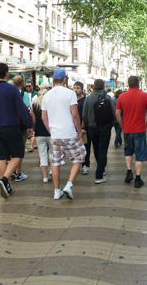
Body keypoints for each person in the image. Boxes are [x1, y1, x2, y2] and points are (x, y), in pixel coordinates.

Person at [0, 63, 33, 199]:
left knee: (1, 157)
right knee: (17, 155)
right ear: (6, 73)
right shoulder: (12, 90)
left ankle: (6, 186)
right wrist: (29, 126)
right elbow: (21, 110)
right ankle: (4, 180)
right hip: (11, 127)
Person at [41, 69, 86, 199]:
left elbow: (44, 118)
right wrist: (79, 131)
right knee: (78, 157)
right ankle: (69, 185)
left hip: (55, 135)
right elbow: (75, 114)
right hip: (70, 133)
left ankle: (56, 191)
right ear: (65, 79)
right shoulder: (70, 93)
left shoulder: (46, 96)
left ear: (53, 80)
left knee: (55, 162)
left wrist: (51, 131)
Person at [116, 76, 147, 188]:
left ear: (128, 83)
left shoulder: (122, 96)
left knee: (128, 151)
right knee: (140, 154)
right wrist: (146, 126)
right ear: (138, 84)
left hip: (127, 129)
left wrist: (122, 126)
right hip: (140, 130)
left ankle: (128, 171)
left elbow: (117, 114)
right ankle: (138, 178)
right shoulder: (145, 96)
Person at [82, 79, 115, 184]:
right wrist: (111, 125)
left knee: (96, 149)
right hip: (105, 127)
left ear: (94, 87)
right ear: (103, 87)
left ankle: (101, 169)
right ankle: (99, 174)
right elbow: (113, 113)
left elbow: (84, 115)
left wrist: (88, 123)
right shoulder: (108, 97)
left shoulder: (88, 98)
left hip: (92, 127)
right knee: (103, 150)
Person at [12, 75, 32, 181]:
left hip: (9, 125)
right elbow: (27, 109)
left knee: (11, 151)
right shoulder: (24, 94)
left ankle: (11, 171)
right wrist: (30, 125)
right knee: (19, 150)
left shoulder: (9, 92)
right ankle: (18, 173)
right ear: (22, 83)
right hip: (20, 125)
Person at [32, 84, 51, 183]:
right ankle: (53, 170)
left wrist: (34, 130)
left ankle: (45, 177)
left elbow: (34, 121)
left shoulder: (34, 106)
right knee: (53, 154)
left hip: (39, 134)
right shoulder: (50, 105)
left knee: (42, 155)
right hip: (51, 133)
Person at [74, 81, 91, 175]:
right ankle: (77, 163)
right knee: (76, 147)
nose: (76, 90)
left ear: (82, 89)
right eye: (75, 88)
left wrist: (83, 126)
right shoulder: (72, 100)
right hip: (74, 127)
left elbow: (86, 114)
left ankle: (86, 164)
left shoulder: (85, 100)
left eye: (78, 88)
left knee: (86, 146)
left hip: (83, 127)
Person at [25, 81, 38, 151]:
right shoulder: (24, 93)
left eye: (29, 86)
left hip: (33, 111)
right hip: (27, 112)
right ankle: (35, 144)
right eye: (27, 86)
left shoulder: (36, 94)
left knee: (33, 127)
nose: (28, 87)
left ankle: (31, 145)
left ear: (32, 86)